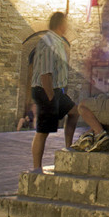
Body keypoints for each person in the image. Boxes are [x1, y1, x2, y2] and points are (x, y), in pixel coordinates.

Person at [31, 11, 78, 169]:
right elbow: (46, 73)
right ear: (60, 24)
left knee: (74, 112)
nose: (68, 25)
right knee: (43, 131)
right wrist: (51, 97)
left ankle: (68, 148)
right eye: (66, 22)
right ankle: (37, 167)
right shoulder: (49, 42)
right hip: (46, 90)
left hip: (56, 90)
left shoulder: (58, 42)